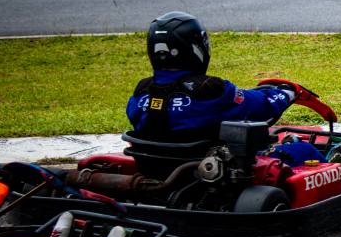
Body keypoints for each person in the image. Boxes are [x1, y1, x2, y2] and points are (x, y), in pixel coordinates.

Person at [127, 11, 297, 141]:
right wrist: (287, 93)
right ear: (196, 47)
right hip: (207, 174)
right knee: (300, 150)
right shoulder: (211, 91)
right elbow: (261, 105)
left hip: (150, 167)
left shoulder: (140, 94)